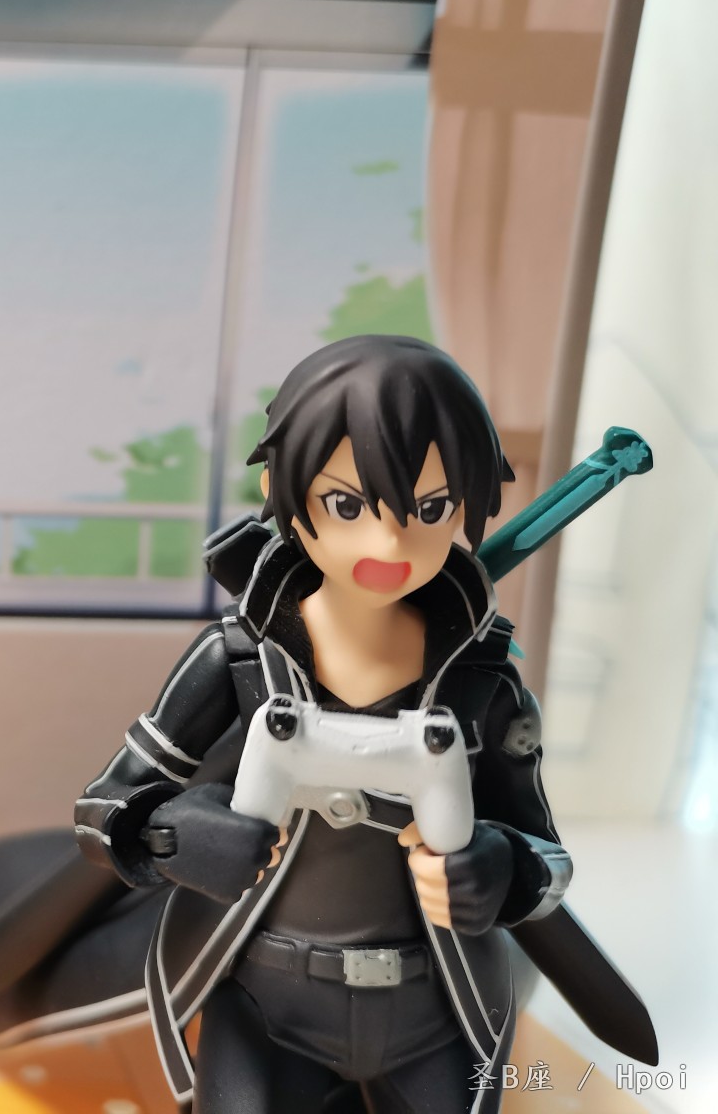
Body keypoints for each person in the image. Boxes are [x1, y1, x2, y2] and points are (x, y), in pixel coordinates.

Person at [75, 336, 570, 1114]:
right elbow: (104, 809)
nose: (389, 543)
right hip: (266, 1008)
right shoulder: (238, 659)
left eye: (430, 509)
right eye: (347, 505)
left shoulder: (485, 681)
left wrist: (503, 869)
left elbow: (547, 852)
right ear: (281, 489)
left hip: (437, 1012)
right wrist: (173, 834)